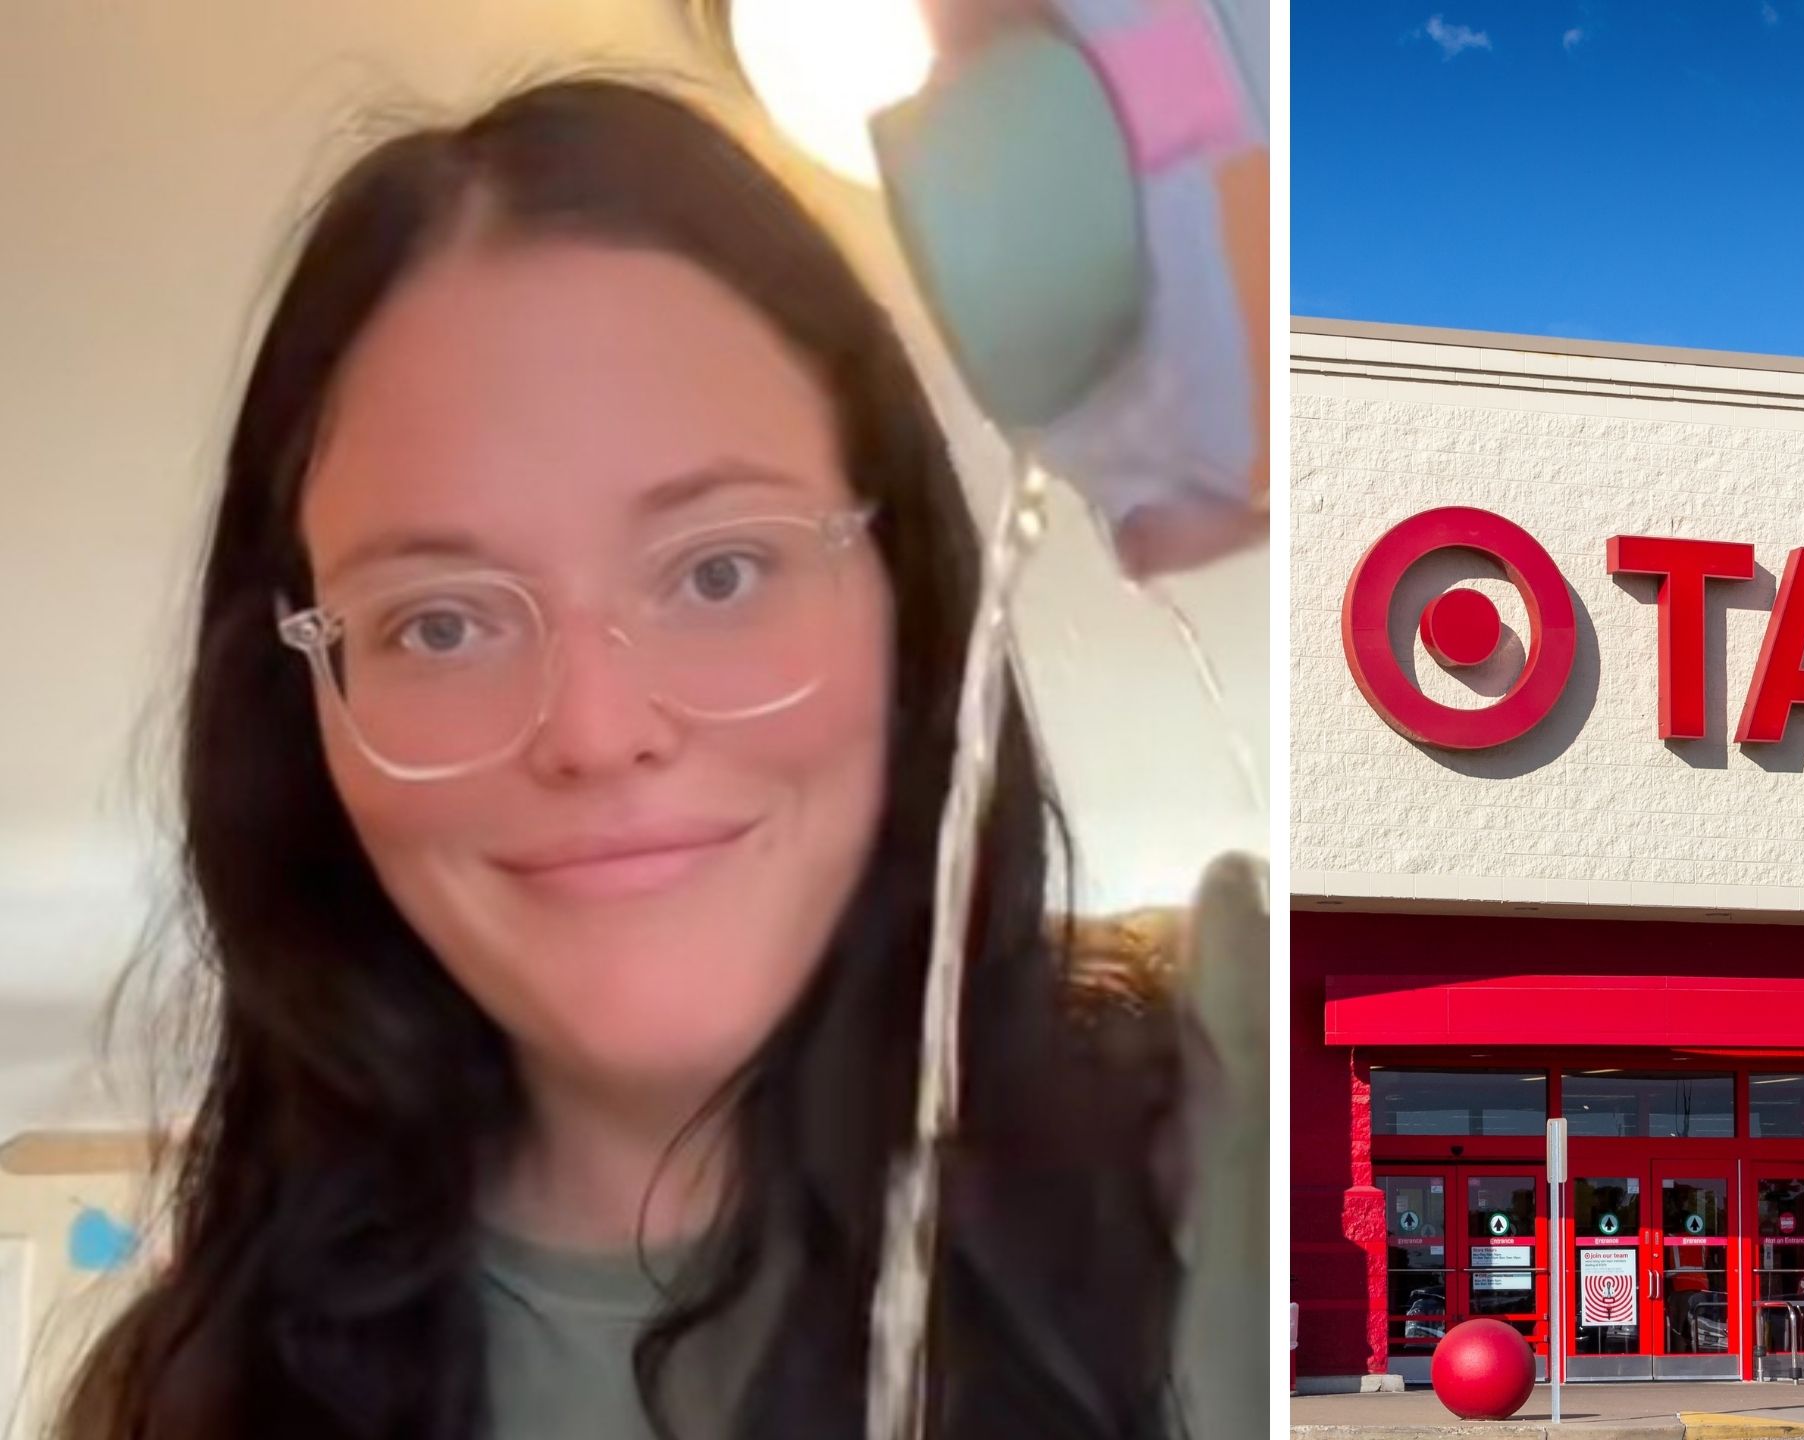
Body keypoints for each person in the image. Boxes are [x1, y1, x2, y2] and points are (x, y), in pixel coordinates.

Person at [58, 77, 1186, 1440]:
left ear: (910, 601)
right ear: (301, 705)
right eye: (442, 621)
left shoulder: (1218, 1178)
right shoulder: (177, 1403)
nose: (595, 732)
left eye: (717, 571)